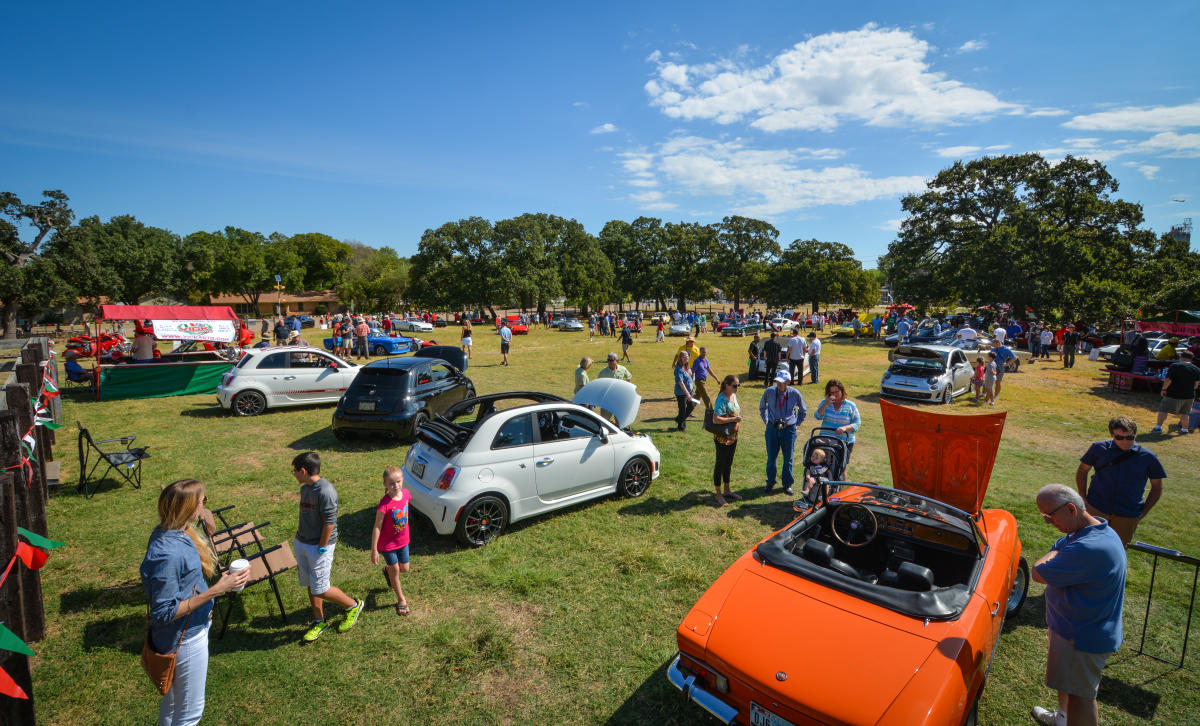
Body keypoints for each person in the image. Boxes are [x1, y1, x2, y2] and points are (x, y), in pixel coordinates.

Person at [141, 480, 250, 726]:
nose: (205, 504)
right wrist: (217, 590)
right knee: (190, 713)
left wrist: (206, 519)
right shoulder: (167, 554)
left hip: (186, 632)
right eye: (203, 501)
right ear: (189, 508)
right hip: (185, 639)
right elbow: (163, 612)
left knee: (171, 705)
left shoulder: (173, 531)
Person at [1030, 484, 1126, 726]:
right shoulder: (1093, 530)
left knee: (1081, 696)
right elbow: (1062, 544)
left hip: (1081, 635)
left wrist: (1053, 552)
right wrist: (1059, 549)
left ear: (1071, 509)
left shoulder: (1088, 546)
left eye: (1050, 517)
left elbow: (1038, 572)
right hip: (1073, 628)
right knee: (1068, 686)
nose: (1048, 523)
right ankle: (1062, 719)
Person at [292, 451, 363, 642]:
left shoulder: (326, 491)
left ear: (304, 470)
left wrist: (322, 546)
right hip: (303, 542)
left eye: (295, 471)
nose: (294, 475)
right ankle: (319, 621)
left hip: (319, 546)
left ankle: (352, 605)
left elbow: (329, 523)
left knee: (320, 588)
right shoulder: (306, 488)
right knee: (310, 583)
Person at [1075, 417, 1166, 546]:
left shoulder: (1148, 457)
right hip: (1096, 508)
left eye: (1130, 437)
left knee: (1117, 551)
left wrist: (1142, 513)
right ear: (1112, 435)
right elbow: (1082, 471)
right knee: (1085, 545)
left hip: (1127, 515)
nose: (1125, 442)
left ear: (1136, 435)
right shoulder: (1098, 448)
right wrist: (1083, 498)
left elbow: (1157, 488)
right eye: (1119, 437)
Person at [370, 466, 412, 616]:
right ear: (385, 485)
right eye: (391, 483)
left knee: (404, 569)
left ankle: (387, 570)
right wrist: (374, 550)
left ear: (402, 480)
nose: (396, 486)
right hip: (388, 545)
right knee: (396, 571)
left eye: (398, 482)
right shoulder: (384, 504)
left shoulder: (406, 495)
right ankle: (401, 600)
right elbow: (377, 526)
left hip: (403, 541)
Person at [758, 370, 806, 495]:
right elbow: (762, 407)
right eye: (777, 381)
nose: (778, 384)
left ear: (788, 382)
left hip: (788, 430)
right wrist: (766, 420)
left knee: (788, 458)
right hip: (772, 428)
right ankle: (770, 482)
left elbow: (803, 410)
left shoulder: (795, 393)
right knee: (771, 458)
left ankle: (787, 484)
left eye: (781, 382)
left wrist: (797, 423)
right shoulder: (769, 391)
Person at [814, 379, 861, 475]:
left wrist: (845, 428)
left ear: (842, 391)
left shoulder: (850, 405)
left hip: (844, 441)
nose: (834, 395)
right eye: (831, 392)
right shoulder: (825, 403)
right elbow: (818, 416)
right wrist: (826, 403)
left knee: (842, 468)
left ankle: (840, 486)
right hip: (825, 440)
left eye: (836, 392)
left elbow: (857, 423)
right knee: (822, 464)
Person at [710, 375, 744, 507]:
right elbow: (715, 419)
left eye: (738, 385)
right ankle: (718, 495)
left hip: (733, 436)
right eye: (735, 385)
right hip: (722, 438)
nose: (737, 388)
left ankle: (727, 490)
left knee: (728, 463)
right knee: (720, 464)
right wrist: (732, 420)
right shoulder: (721, 399)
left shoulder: (733, 396)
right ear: (727, 385)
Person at [1152, 348, 1199, 434]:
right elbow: (1196, 385)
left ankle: (1158, 427)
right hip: (1189, 395)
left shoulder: (1175, 366)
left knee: (1163, 409)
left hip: (1173, 394)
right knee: (1185, 413)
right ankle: (1185, 430)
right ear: (1191, 359)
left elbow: (1168, 379)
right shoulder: (1197, 369)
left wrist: (1164, 389)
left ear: (1181, 357)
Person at [673, 351, 697, 432]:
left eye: (688, 356)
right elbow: (680, 382)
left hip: (688, 392)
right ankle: (681, 427)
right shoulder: (678, 369)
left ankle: (679, 419)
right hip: (681, 393)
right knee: (682, 410)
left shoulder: (686, 366)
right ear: (681, 358)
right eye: (685, 356)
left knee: (692, 405)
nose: (687, 357)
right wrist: (688, 394)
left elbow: (690, 377)